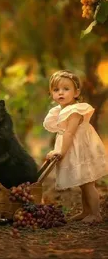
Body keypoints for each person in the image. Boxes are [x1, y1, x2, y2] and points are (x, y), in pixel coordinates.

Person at [43, 69, 108, 223]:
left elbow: (70, 134)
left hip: (83, 149)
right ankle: (86, 211)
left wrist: (61, 152)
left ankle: (96, 214)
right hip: (75, 148)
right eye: (56, 89)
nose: (61, 93)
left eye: (66, 89)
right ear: (51, 93)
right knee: (82, 183)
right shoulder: (60, 110)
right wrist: (57, 150)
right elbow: (62, 133)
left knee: (88, 183)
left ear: (76, 92)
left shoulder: (75, 110)